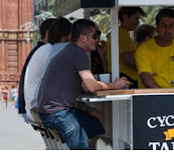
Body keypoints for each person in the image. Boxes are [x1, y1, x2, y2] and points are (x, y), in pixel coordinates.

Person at [37, 19, 130, 149]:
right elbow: (91, 85)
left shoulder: (72, 51)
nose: (98, 39)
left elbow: (86, 86)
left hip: (54, 109)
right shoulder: (77, 52)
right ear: (83, 38)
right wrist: (114, 85)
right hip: (57, 112)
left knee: (93, 123)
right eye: (95, 35)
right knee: (81, 147)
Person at [24, 17, 72, 122]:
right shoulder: (49, 51)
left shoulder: (43, 49)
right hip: (40, 109)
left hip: (34, 107)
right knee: (90, 122)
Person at [18, 18, 56, 121]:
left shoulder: (38, 50)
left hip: (30, 107)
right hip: (37, 109)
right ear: (48, 33)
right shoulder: (47, 50)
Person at [107, 7, 146, 88]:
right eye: (135, 19)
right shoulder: (121, 34)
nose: (137, 22)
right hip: (128, 80)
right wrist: (147, 65)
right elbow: (128, 59)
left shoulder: (122, 33)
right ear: (125, 17)